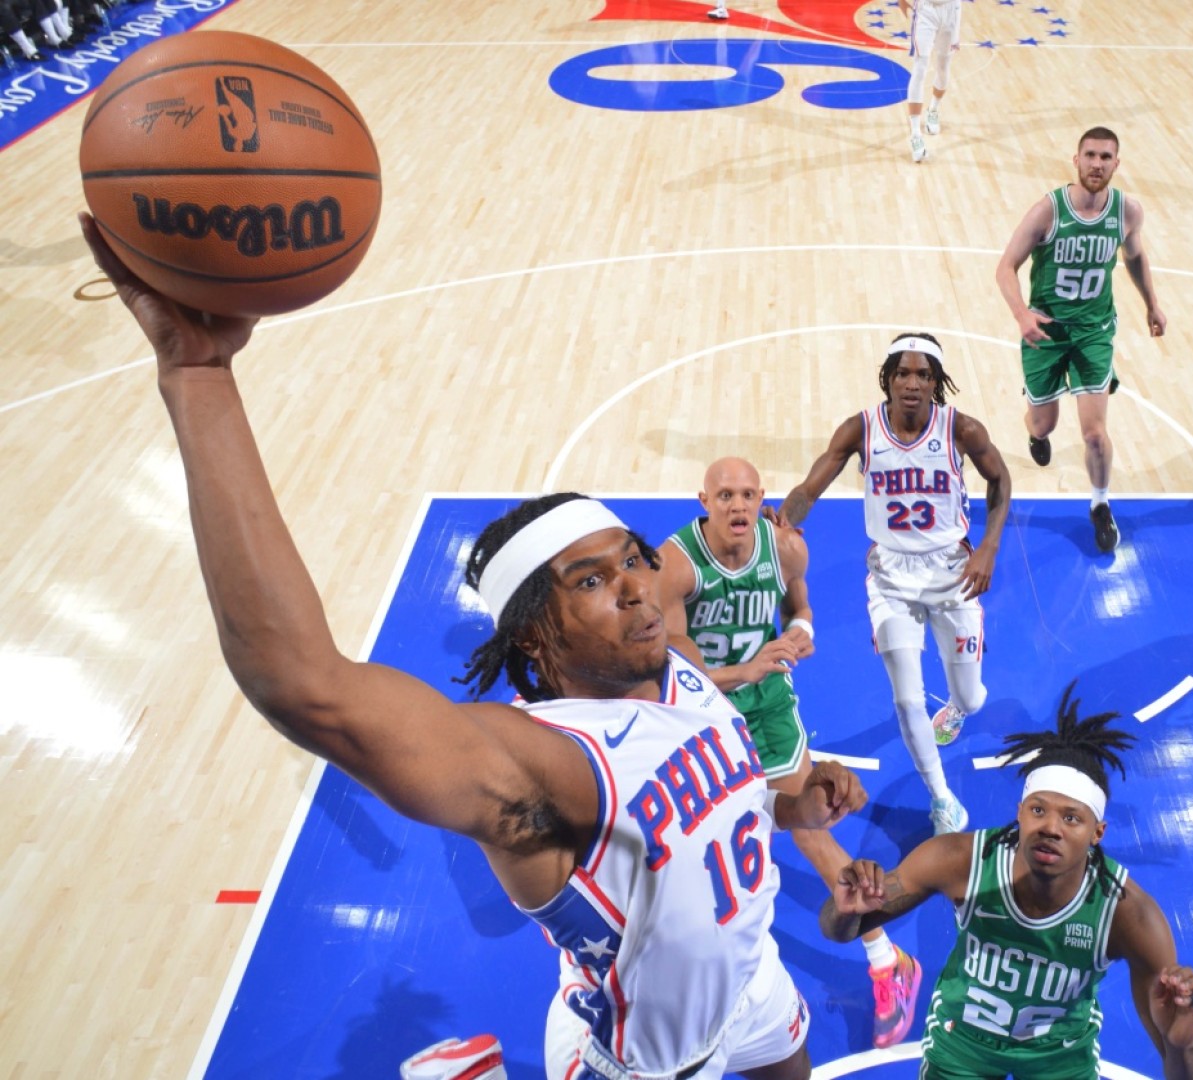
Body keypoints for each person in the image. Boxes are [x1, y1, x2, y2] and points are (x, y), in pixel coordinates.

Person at [78, 211, 869, 1080]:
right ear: (536, 630)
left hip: (755, 984)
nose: (640, 585)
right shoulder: (544, 765)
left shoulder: (672, 670)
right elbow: (301, 681)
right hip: (655, 1064)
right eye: (593, 582)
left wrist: (796, 808)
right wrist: (198, 376)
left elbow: (721, 814)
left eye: (634, 560)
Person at [658, 456, 925, 1049]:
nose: (738, 505)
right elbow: (675, 663)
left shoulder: (786, 551)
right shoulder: (675, 564)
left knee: (809, 824)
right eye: (725, 494)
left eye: (749, 494)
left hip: (770, 708)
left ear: (761, 499)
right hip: (705, 708)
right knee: (706, 836)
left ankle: (889, 961)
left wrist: (800, 635)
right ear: (703, 500)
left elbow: (800, 610)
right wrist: (744, 668)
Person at [820, 687, 1193, 1080]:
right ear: (1020, 812)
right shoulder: (958, 861)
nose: (1050, 829)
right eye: (1039, 810)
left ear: (1098, 832)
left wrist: (1183, 1045)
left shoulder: (1128, 915)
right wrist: (844, 909)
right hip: (964, 1041)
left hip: (1060, 1056)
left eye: (1072, 818)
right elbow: (839, 930)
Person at [776, 332, 1011, 835]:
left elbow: (1000, 480)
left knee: (971, 699)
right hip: (890, 579)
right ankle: (942, 799)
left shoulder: (961, 429)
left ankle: (956, 706)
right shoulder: (861, 429)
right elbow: (809, 488)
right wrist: (784, 523)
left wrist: (989, 546)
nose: (911, 383)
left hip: (953, 574)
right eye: (901, 373)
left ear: (936, 382)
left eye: (922, 374)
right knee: (906, 698)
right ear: (887, 378)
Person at [995, 126, 1167, 555]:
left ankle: (1100, 504)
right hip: (1047, 331)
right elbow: (1005, 267)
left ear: (1116, 163)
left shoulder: (1127, 211)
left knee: (1094, 433)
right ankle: (1036, 434)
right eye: (1090, 155)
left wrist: (1151, 303)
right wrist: (1021, 315)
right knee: (1044, 422)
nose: (1097, 164)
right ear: (1076, 160)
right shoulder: (1048, 211)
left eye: (1106, 157)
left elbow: (1135, 256)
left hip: (1094, 332)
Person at [900, 0, 962, 163]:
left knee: (943, 66)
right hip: (925, 9)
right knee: (920, 67)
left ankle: (933, 109)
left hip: (951, 9)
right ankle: (915, 135)